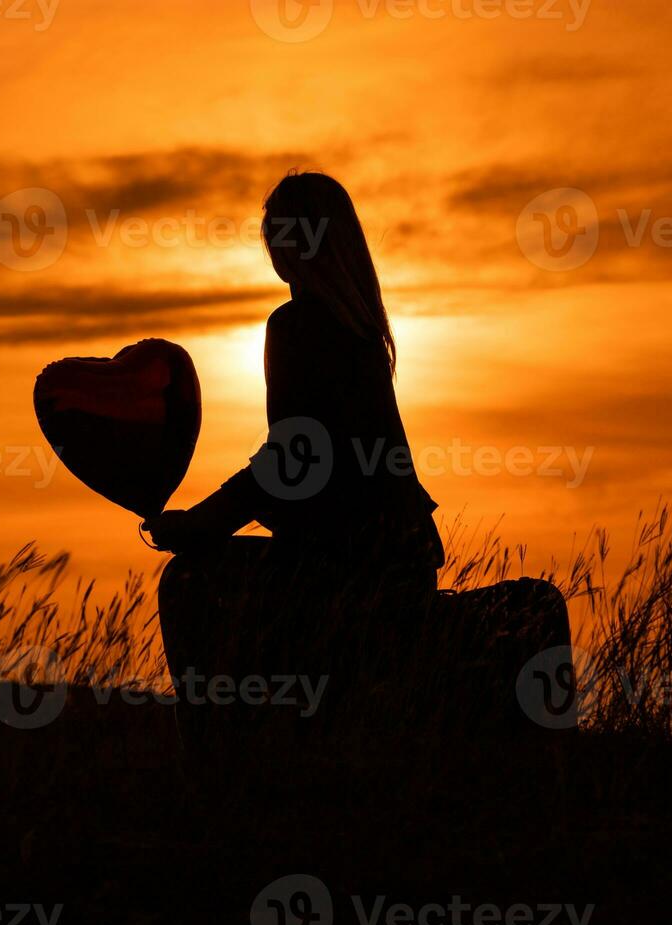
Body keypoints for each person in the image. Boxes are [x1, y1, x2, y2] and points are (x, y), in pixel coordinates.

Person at [144, 171, 446, 732]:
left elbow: (291, 461)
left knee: (188, 581)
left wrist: (200, 526)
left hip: (348, 568)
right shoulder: (363, 333)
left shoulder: (296, 325)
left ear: (287, 249)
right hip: (406, 560)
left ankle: (220, 749)